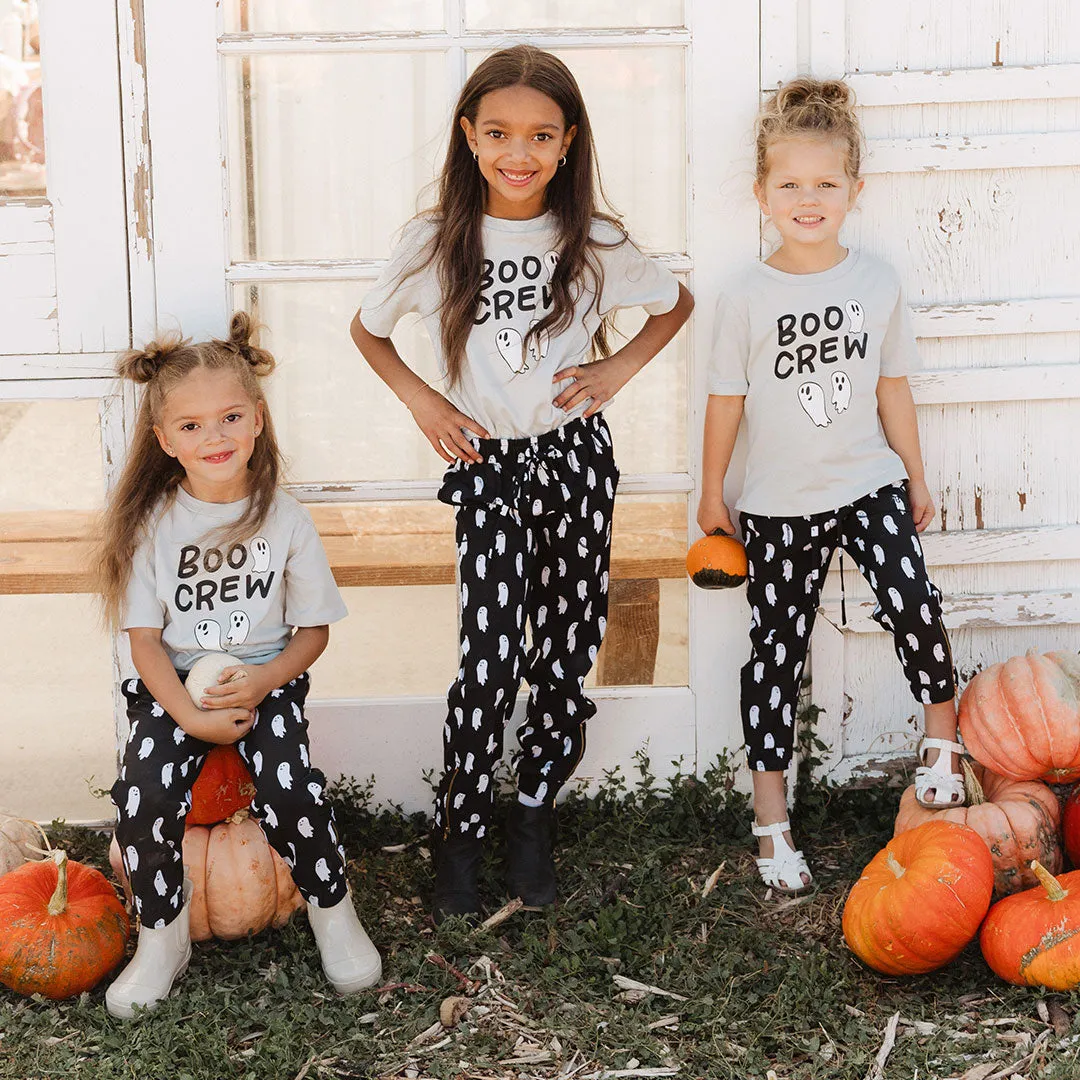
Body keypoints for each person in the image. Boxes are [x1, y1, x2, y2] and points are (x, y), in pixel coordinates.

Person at [350, 45, 694, 921]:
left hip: (575, 462)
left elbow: (674, 305)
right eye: (499, 132)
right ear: (469, 136)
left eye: (542, 135)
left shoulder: (596, 241)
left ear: (569, 142)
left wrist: (614, 371)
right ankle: (461, 828)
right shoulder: (436, 243)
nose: (519, 151)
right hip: (492, 472)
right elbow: (370, 331)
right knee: (492, 654)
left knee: (568, 647)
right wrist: (426, 401)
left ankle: (533, 809)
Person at [698, 77, 963, 894]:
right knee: (774, 654)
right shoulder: (743, 294)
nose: (807, 199)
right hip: (777, 503)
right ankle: (771, 819)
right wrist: (713, 493)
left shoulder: (876, 282)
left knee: (914, 602)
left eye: (825, 184)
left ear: (854, 188)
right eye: (790, 184)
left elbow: (891, 389)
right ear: (761, 193)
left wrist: (916, 475)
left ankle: (942, 745)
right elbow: (727, 400)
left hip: (868, 482)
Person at [97, 313, 382, 1017]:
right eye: (190, 427)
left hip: (265, 679)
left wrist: (261, 681)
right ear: (164, 441)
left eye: (229, 417)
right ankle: (162, 935)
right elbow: (142, 643)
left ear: (257, 419)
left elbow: (313, 634)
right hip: (174, 686)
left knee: (291, 788)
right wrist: (191, 714)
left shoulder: (284, 519)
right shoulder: (153, 526)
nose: (214, 437)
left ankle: (332, 911)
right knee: (143, 798)